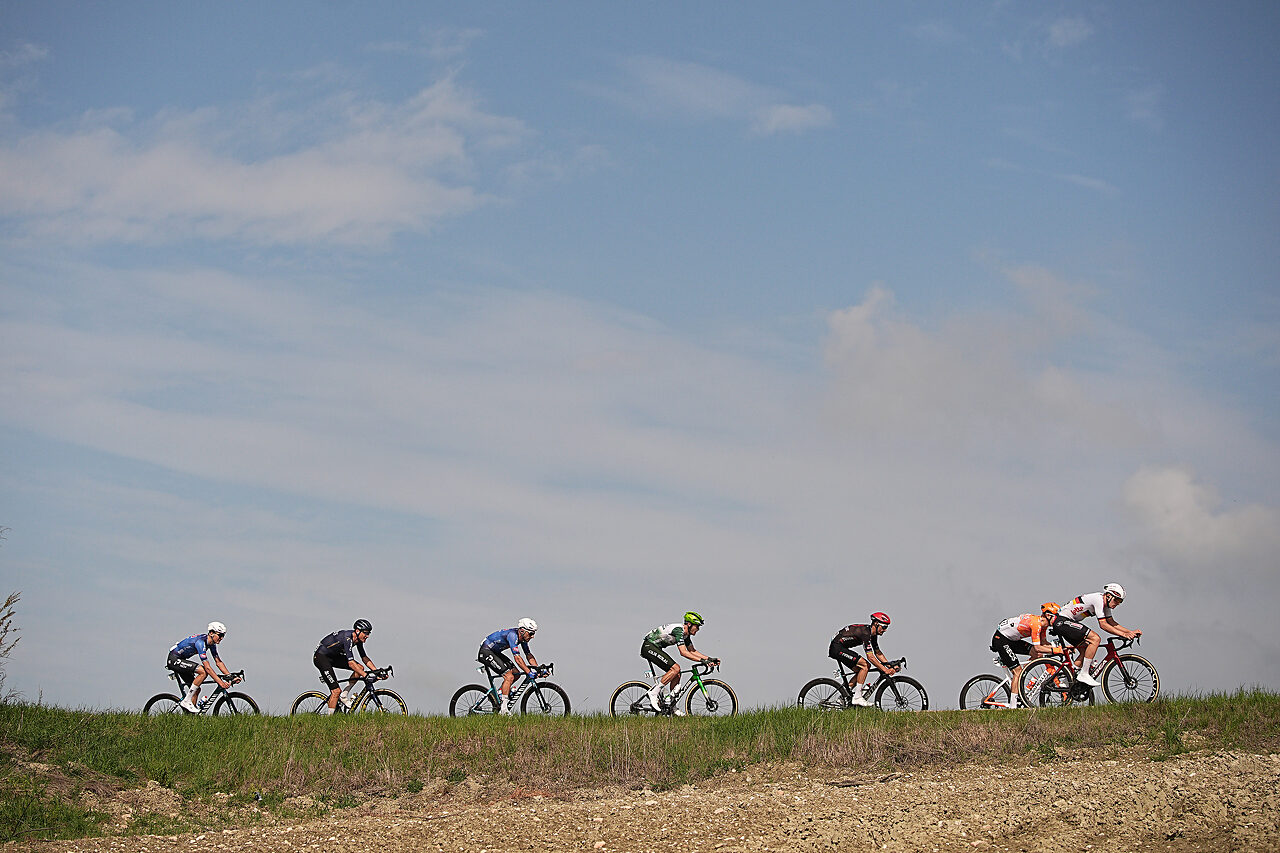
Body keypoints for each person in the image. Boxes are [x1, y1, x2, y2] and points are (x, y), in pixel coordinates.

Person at [1056, 583, 1142, 687]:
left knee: (1086, 651)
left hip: (1066, 622)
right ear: (1109, 596)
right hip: (1062, 621)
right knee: (1095, 639)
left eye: (1120, 602)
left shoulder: (1105, 604)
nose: (1117, 604)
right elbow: (1103, 625)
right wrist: (1123, 634)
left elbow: (1111, 622)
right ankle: (1084, 674)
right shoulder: (1098, 600)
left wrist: (1129, 632)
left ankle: (1067, 680)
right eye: (1117, 600)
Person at [641, 612, 716, 716]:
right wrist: (702, 661)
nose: (698, 629)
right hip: (649, 646)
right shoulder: (679, 630)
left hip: (655, 648)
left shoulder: (686, 636)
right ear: (689, 625)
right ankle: (653, 693)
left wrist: (709, 659)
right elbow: (683, 652)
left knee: (677, 673)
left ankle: (671, 705)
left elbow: (692, 651)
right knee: (675, 669)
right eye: (697, 626)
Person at [990, 604, 1065, 706]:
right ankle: (1013, 706)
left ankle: (1023, 675)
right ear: (1048, 615)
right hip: (1001, 639)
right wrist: (1057, 650)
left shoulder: (1043, 626)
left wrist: (1063, 649)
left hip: (1011, 640)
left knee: (1037, 654)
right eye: (1055, 617)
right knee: (1017, 672)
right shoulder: (1036, 624)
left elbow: (1044, 644)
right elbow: (1039, 647)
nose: (1056, 621)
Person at [313, 619, 383, 715]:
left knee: (360, 668)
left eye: (369, 633)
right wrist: (366, 676)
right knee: (336, 691)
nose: (367, 636)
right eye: (366, 633)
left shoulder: (358, 640)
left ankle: (344, 695)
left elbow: (364, 657)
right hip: (321, 657)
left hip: (334, 657)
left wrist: (377, 671)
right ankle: (329, 722)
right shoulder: (347, 638)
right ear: (358, 631)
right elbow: (351, 663)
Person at [829, 612, 896, 707]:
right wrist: (885, 670)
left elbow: (878, 653)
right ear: (876, 624)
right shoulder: (865, 633)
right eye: (884, 627)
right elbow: (871, 657)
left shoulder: (872, 635)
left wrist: (889, 665)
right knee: (866, 665)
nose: (885, 630)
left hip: (840, 647)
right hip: (837, 648)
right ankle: (857, 697)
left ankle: (843, 697)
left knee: (860, 671)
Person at [168, 621, 237, 714]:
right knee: (203, 671)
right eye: (220, 635)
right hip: (174, 660)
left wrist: (230, 676)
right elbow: (207, 668)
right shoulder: (200, 643)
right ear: (211, 633)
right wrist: (220, 682)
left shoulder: (211, 644)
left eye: (223, 636)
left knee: (196, 690)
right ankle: (186, 701)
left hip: (181, 659)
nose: (221, 638)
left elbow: (218, 662)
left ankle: (190, 718)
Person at [478, 618, 540, 716]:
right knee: (509, 676)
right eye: (531, 634)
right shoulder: (513, 636)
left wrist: (537, 669)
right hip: (486, 651)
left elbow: (528, 654)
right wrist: (528, 672)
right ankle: (503, 710)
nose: (532, 637)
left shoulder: (523, 639)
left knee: (516, 674)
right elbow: (517, 658)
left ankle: (500, 693)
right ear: (522, 631)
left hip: (495, 652)